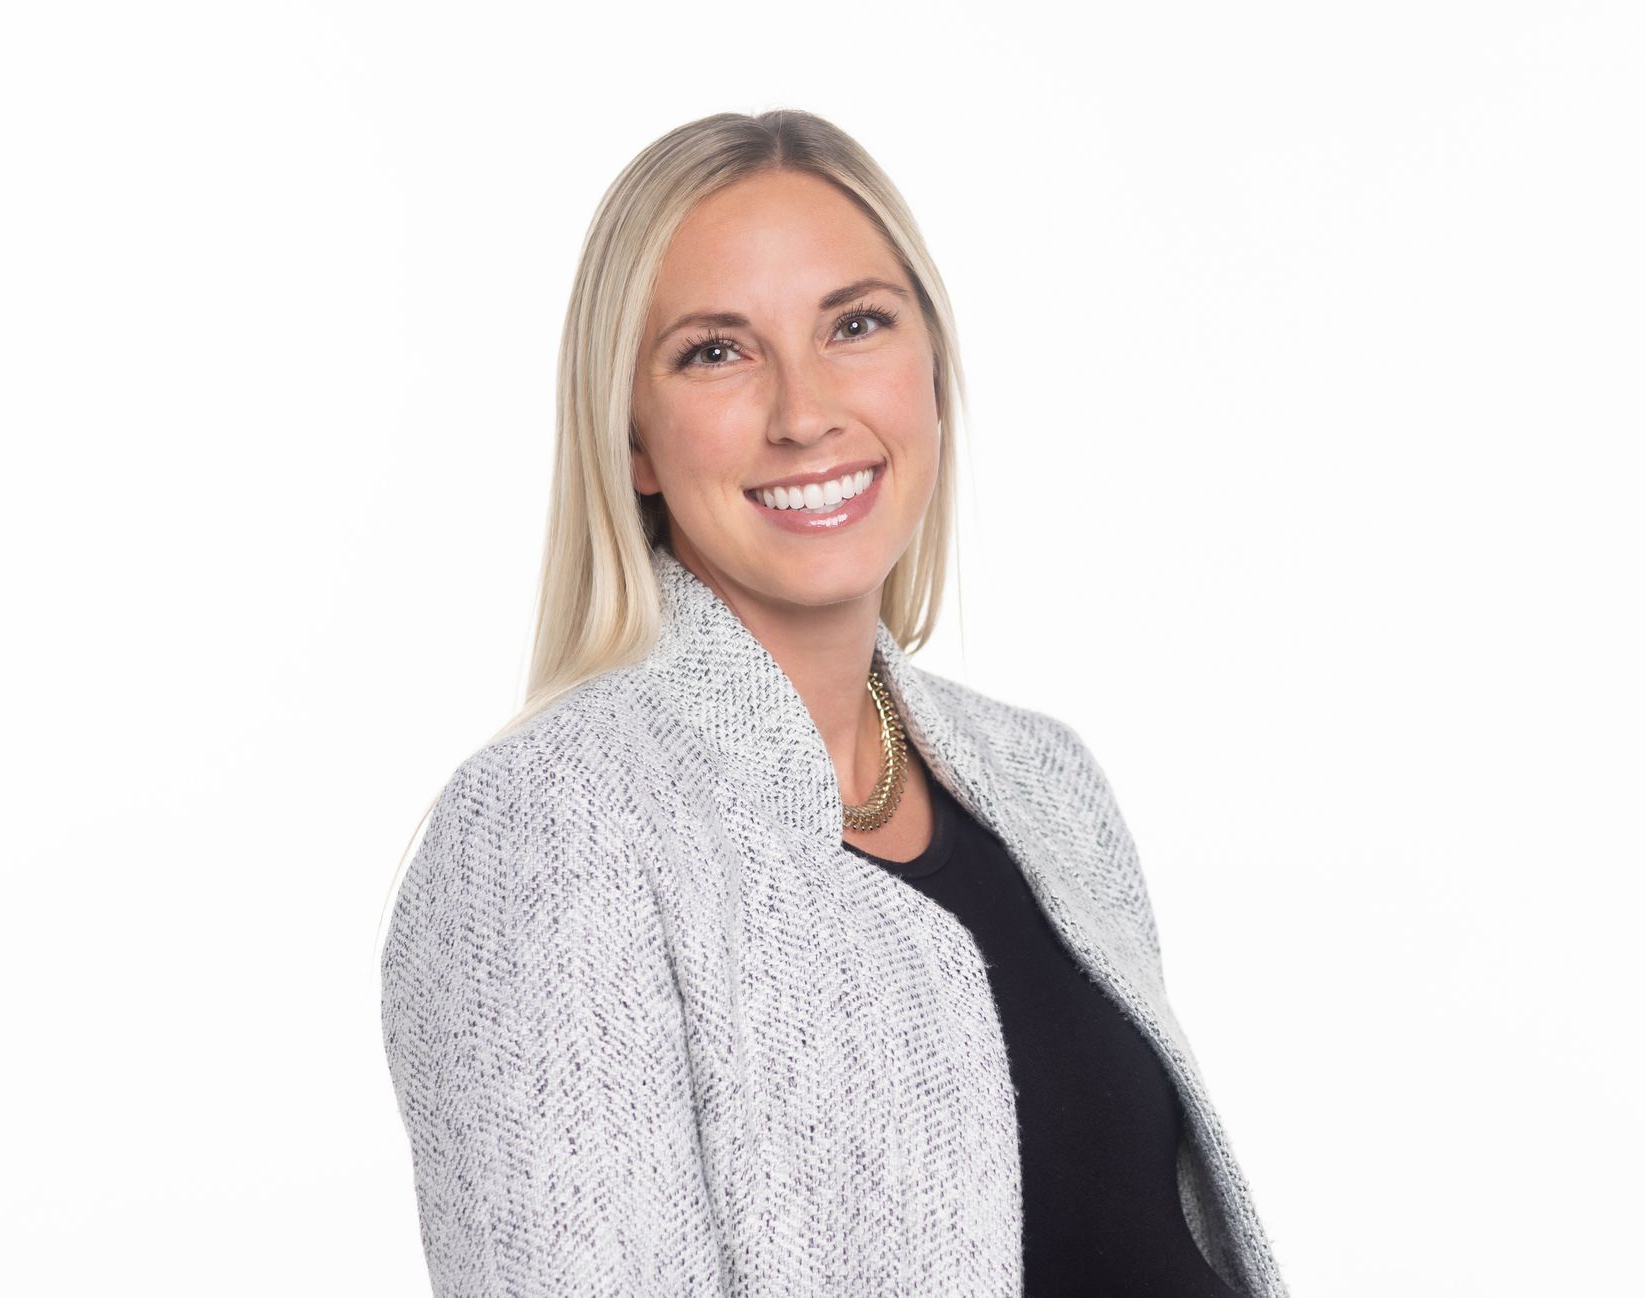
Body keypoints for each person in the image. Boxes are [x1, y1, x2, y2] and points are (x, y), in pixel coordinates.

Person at [378, 108, 1289, 1298]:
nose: (804, 411)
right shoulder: (549, 832)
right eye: (716, 350)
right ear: (634, 437)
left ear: (930, 368)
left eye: (855, 324)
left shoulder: (1046, 778)